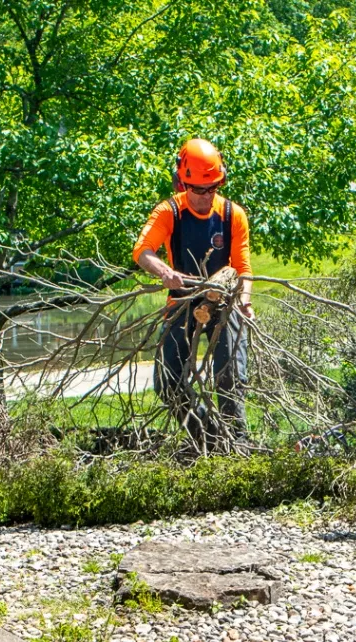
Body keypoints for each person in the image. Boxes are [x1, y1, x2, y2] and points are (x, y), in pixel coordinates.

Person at [132, 138, 254, 445]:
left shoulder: (231, 214)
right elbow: (142, 251)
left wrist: (244, 301)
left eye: (210, 188)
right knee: (167, 382)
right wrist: (165, 272)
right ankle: (207, 436)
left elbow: (243, 268)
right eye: (197, 189)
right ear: (182, 183)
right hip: (183, 300)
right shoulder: (169, 211)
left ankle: (237, 445)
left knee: (229, 379)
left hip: (224, 301)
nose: (204, 195)